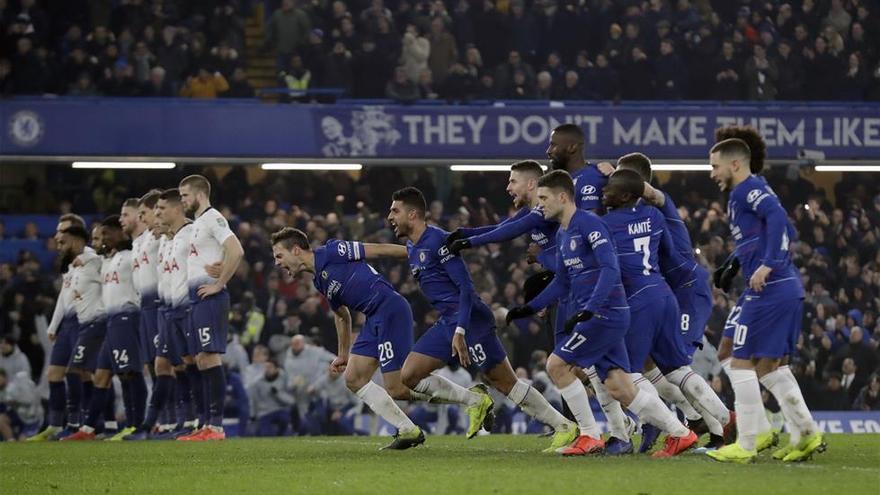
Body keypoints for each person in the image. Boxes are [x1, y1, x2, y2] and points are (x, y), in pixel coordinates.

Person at [506, 171, 697, 457]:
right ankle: (681, 433)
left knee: (557, 365)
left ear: (562, 197)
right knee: (620, 386)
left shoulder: (591, 225)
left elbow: (610, 269)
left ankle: (589, 435)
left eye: (544, 198)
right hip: (600, 314)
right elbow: (562, 281)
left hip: (605, 314)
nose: (540, 204)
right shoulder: (563, 232)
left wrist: (590, 309)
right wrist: (529, 307)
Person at [386, 187, 578, 452]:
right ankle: (474, 401)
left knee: (504, 382)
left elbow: (466, 287)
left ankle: (564, 426)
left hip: (470, 320)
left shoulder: (438, 242)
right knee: (409, 375)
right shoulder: (411, 246)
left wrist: (461, 330)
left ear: (413, 213)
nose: (390, 217)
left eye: (395, 210)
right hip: (447, 321)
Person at [706, 137, 824, 463]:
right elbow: (764, 231)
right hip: (780, 288)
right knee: (769, 367)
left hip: (770, 289)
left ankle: (746, 443)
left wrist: (769, 262)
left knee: (742, 361)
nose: (712, 172)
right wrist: (734, 263)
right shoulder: (741, 194)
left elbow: (777, 217)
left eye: (715, 166)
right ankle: (806, 433)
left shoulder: (747, 189)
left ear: (735, 164)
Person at [601, 169, 734, 453]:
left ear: (624, 195)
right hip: (665, 294)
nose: (604, 192)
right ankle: (724, 420)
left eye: (610, 188)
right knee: (676, 369)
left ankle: (672, 429)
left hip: (641, 300)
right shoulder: (655, 215)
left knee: (627, 372)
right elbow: (669, 254)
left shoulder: (606, 224)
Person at [270, 228, 427, 449]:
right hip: (373, 318)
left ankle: (468, 399)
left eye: (279, 256)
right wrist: (342, 354)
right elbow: (342, 315)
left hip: (389, 308)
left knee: (398, 387)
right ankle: (407, 429)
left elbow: (379, 251)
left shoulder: (333, 250)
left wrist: (420, 253)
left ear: (295, 250)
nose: (277, 263)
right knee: (353, 378)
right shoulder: (319, 282)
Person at [64, 215, 147, 441]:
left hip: (126, 318)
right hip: (110, 322)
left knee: (130, 372)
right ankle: (90, 428)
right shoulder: (107, 261)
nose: (101, 241)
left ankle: (136, 425)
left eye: (106, 235)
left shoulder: (130, 258)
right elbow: (89, 259)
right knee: (102, 375)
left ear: (119, 234)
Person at [177, 175, 244, 441]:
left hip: (210, 297)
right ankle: (205, 424)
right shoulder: (198, 224)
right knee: (201, 359)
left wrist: (220, 283)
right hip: (196, 298)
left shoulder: (214, 218)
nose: (182, 200)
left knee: (210, 357)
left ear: (199, 194)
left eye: (184, 195)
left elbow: (236, 249)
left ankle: (215, 426)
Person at [27, 214, 91, 441]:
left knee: (79, 372)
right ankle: (55, 424)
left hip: (84, 322)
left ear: (74, 235)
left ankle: (79, 422)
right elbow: (64, 297)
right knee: (54, 373)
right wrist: (54, 325)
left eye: (62, 231)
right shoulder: (68, 264)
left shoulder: (90, 258)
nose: (56, 236)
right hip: (68, 323)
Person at [247, 359, 296, 437]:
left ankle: (287, 434)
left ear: (276, 369)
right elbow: (253, 400)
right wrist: (253, 415)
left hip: (280, 409)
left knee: (286, 419)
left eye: (270, 367)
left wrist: (278, 394)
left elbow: (291, 401)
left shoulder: (284, 378)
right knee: (266, 435)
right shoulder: (257, 383)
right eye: (266, 367)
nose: (267, 369)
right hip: (264, 412)